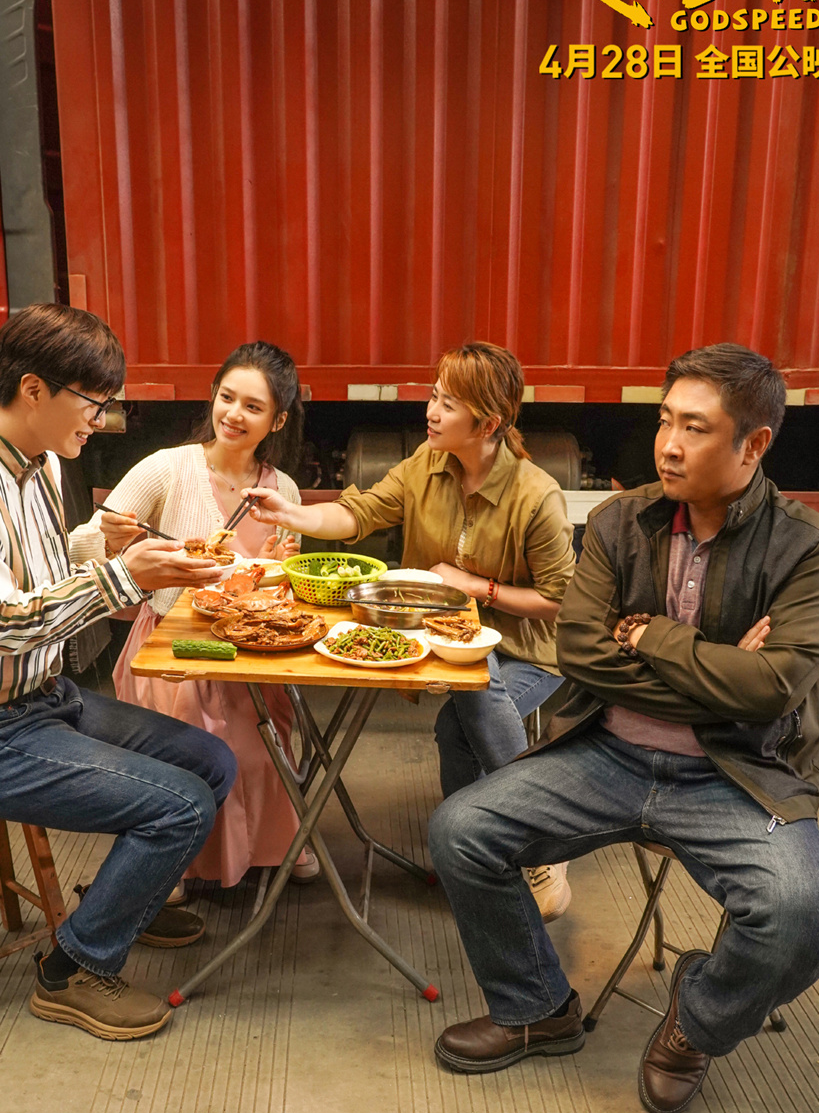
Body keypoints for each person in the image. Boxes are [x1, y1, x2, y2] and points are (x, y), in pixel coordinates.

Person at [426, 343, 819, 1113]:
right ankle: (536, 1007)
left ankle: (696, 1023)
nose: (669, 445)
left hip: (736, 773)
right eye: (665, 421)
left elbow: (772, 689)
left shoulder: (810, 547)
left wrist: (652, 636)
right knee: (461, 829)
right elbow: (580, 652)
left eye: (695, 427)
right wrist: (723, 670)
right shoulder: (621, 520)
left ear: (753, 444)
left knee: (809, 917)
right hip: (609, 754)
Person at [0, 304, 238, 1041]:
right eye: (92, 402)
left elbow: (44, 578)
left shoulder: (40, 462)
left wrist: (107, 548)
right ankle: (72, 970)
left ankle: (121, 904)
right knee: (181, 805)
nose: (101, 419)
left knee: (212, 762)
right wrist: (125, 576)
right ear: (33, 389)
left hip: (43, 699)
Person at [247, 343, 576, 918]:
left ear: (488, 424)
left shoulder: (536, 495)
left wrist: (476, 587)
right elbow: (360, 513)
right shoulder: (427, 462)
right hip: (441, 639)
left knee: (467, 709)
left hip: (528, 651)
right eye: (433, 396)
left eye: (448, 404)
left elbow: (560, 601)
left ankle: (533, 845)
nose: (431, 411)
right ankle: (484, 851)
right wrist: (292, 514)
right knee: (460, 719)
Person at [71, 341, 318, 888]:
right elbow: (80, 545)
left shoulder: (282, 488)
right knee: (192, 756)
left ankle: (272, 844)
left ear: (277, 420)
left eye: (253, 407)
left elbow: (282, 577)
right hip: (173, 647)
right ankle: (171, 866)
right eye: (227, 397)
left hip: (251, 651)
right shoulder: (168, 468)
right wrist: (111, 540)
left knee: (262, 749)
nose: (234, 414)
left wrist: (278, 566)